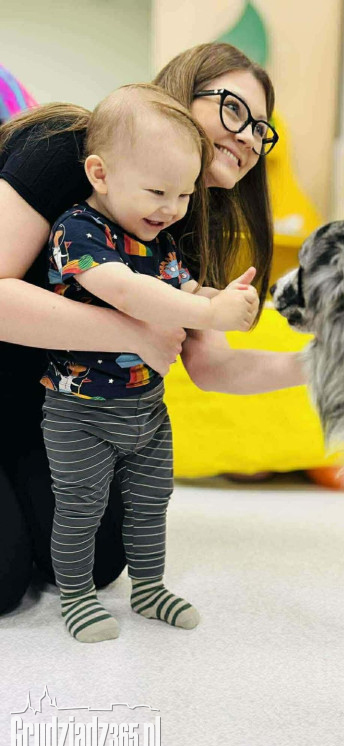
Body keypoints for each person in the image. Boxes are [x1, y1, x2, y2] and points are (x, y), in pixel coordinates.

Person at [0, 42, 305, 616]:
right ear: (181, 93)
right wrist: (132, 333)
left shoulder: (181, 221)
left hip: (47, 408)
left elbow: (210, 364)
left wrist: (320, 365)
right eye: (234, 109)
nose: (247, 137)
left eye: (262, 130)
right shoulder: (63, 149)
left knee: (100, 560)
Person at [41, 84, 262, 642]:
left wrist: (221, 299)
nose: (172, 209)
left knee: (150, 503)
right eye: (159, 191)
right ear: (100, 173)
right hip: (79, 411)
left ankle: (149, 586)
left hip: (145, 409)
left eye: (185, 195)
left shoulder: (158, 239)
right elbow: (129, 294)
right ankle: (76, 595)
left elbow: (182, 290)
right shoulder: (78, 230)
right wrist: (209, 313)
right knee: (79, 508)